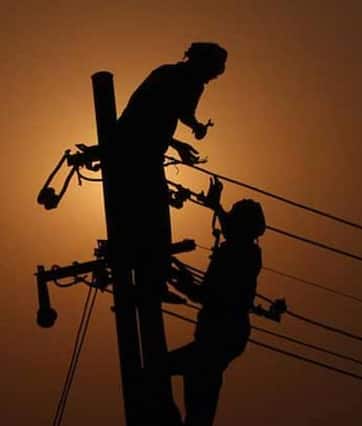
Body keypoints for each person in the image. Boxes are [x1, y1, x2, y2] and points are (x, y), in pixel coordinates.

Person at [109, 42, 227, 425]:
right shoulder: (172, 77)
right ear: (201, 62)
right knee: (152, 219)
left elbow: (174, 114)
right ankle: (151, 278)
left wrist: (185, 135)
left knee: (151, 218)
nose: (215, 76)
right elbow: (148, 114)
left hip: (147, 150)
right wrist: (184, 133)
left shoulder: (188, 82)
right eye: (215, 68)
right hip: (134, 151)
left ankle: (152, 277)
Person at [168, 178, 265, 426]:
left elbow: (207, 296)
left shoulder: (236, 255)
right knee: (197, 398)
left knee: (160, 371)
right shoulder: (245, 251)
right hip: (222, 339)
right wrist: (217, 208)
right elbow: (233, 229)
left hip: (218, 339)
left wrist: (179, 281)